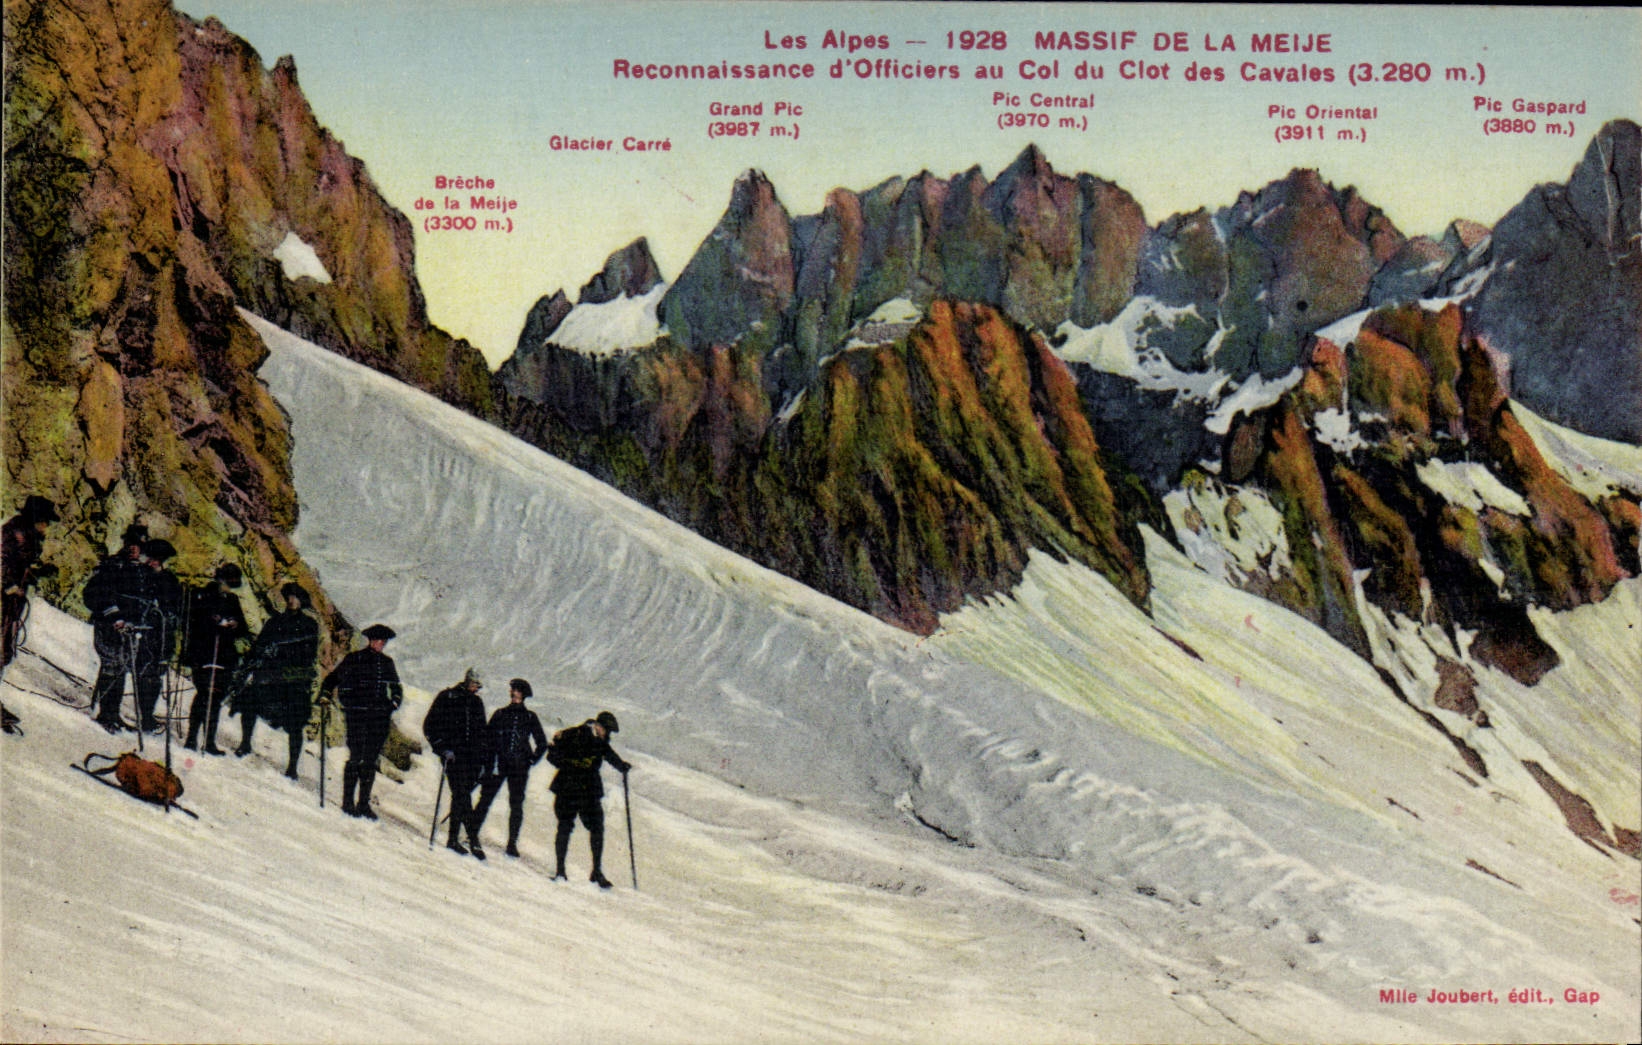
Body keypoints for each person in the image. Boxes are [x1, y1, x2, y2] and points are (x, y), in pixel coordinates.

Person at [232, 582, 321, 779]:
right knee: (249, 701)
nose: (292, 601)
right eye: (289, 597)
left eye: (296, 598)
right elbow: (259, 646)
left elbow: (308, 654)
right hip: (271, 677)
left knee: (296, 723)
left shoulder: (309, 625)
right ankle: (245, 744)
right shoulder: (274, 622)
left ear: (302, 601)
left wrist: (281, 653)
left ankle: (292, 767)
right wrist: (252, 663)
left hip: (294, 681)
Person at [319, 623, 403, 818]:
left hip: (379, 719)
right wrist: (325, 695)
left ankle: (363, 804)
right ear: (370, 640)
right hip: (357, 716)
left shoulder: (387, 663)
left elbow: (396, 687)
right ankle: (348, 802)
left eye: (383, 641)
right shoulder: (355, 658)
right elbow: (333, 679)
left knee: (370, 761)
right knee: (356, 758)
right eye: (377, 640)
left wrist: (394, 703)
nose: (380, 644)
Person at [547, 710, 631, 888]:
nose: (606, 734)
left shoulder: (602, 741)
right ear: (597, 726)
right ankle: (560, 870)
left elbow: (609, 754)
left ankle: (596, 871)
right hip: (568, 787)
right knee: (565, 826)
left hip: (589, 791)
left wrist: (621, 766)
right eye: (605, 730)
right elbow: (553, 752)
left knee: (597, 827)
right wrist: (567, 764)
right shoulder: (575, 733)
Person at [84, 524, 150, 732]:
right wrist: (114, 615)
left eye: (138, 545)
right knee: (112, 666)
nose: (133, 548)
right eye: (130, 543)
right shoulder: (112, 565)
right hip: (109, 626)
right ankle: (105, 714)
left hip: (129, 629)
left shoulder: (141, 571)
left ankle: (113, 714)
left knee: (122, 668)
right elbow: (93, 594)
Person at [473, 678, 548, 858]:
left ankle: (512, 843)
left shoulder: (530, 717)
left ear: (524, 696)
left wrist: (531, 760)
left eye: (518, 692)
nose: (514, 694)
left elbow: (542, 743)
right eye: (513, 690)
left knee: (516, 804)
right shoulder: (500, 714)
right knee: (486, 799)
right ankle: (472, 833)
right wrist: (486, 761)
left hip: (519, 768)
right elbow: (486, 739)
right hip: (498, 764)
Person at [423, 668, 489, 858]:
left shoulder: (477, 703)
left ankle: (456, 839)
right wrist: (442, 748)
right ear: (467, 680)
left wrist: (483, 760)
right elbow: (429, 725)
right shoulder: (447, 697)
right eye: (475, 684)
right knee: (461, 794)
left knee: (461, 796)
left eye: (478, 686)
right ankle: (470, 839)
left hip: (472, 759)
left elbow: (482, 734)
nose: (476, 688)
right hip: (452, 756)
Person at [183, 563, 249, 754]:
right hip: (203, 653)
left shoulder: (232, 599)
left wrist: (235, 624)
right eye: (228, 583)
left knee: (216, 698)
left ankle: (209, 741)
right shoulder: (202, 595)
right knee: (204, 694)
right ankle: (191, 739)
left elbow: (243, 628)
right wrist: (215, 623)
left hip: (224, 656)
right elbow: (193, 623)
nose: (229, 588)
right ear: (220, 580)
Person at [2, 495, 59, 671]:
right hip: (4, 598)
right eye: (46, 521)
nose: (47, 526)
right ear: (37, 519)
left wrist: (39, 573)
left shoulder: (26, 535)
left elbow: (21, 568)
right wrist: (9, 585)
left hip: (11, 600)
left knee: (5, 646)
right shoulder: (16, 534)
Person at [135, 539, 186, 733]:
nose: (151, 562)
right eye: (150, 557)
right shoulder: (140, 575)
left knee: (155, 675)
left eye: (156, 559)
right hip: (143, 631)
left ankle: (147, 715)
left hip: (163, 634)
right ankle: (142, 714)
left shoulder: (170, 580)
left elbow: (177, 608)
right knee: (142, 672)